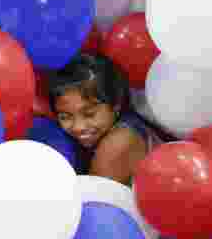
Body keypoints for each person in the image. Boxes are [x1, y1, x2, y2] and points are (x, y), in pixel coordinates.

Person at [40, 53, 161, 185]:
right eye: (65, 116)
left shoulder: (119, 142)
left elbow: (95, 203)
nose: (78, 126)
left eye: (89, 114)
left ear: (115, 106)